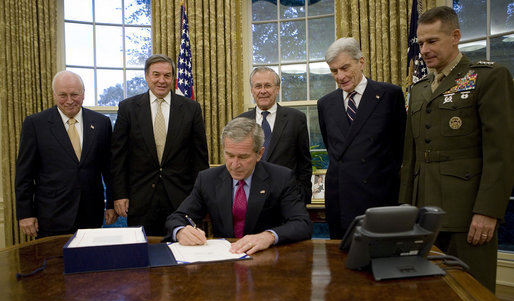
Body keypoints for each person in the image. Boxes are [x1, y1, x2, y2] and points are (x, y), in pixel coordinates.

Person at [399, 6, 514, 292]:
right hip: (423, 213)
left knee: (471, 291)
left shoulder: (487, 78)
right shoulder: (420, 88)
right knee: (427, 291)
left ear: (455, 37)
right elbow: (410, 159)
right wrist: (404, 210)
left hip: (467, 215)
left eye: (432, 41)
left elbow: (501, 152)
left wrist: (488, 211)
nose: (424, 50)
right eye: (421, 43)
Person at [163, 117, 312, 255]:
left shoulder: (281, 178)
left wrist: (269, 236)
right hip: (224, 260)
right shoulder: (208, 179)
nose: (235, 165)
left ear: (259, 154)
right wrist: (181, 231)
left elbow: (302, 224)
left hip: (266, 259)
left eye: (243, 157)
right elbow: (177, 217)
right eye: (229, 155)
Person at [317, 37, 407, 239]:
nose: (340, 76)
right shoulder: (325, 104)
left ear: (361, 62)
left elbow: (400, 148)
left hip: (379, 200)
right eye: (334, 71)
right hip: (340, 200)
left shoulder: (389, 95)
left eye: (345, 68)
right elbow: (333, 149)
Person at [111, 54, 209, 236]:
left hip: (181, 199)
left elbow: (199, 159)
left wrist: (201, 198)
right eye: (156, 75)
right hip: (140, 199)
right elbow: (118, 157)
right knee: (143, 254)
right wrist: (119, 194)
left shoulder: (191, 109)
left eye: (167, 75)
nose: (162, 80)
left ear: (173, 78)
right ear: (147, 76)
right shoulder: (128, 108)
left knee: (183, 254)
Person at [15, 71, 115, 238]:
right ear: (54, 95)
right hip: (51, 217)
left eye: (74, 94)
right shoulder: (35, 124)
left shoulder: (101, 123)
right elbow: (24, 175)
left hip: (90, 215)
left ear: (83, 94)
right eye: (63, 95)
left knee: (90, 262)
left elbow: (109, 169)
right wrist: (25, 213)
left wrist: (111, 203)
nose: (69, 100)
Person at [239, 67, 312, 205]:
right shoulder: (240, 121)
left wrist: (302, 197)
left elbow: (305, 164)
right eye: (258, 86)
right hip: (251, 200)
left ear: (277, 89)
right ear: (252, 90)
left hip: (287, 199)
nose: (263, 91)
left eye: (268, 85)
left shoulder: (296, 119)